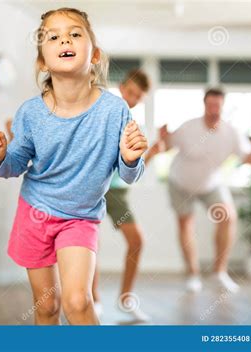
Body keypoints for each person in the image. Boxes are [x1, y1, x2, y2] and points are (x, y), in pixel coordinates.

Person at [0, 8, 148, 325]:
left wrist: (130, 157)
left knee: (78, 303)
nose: (64, 39)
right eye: (53, 36)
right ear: (43, 60)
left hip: (80, 218)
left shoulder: (115, 110)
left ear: (94, 54)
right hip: (35, 213)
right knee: (47, 306)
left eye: (74, 33)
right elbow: (14, 164)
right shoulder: (30, 112)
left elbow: (129, 174)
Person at [151, 88, 251, 293]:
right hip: (181, 183)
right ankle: (192, 275)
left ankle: (219, 273)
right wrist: (164, 137)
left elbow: (249, 159)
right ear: (204, 105)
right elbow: (167, 146)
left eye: (218, 105)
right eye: (210, 105)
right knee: (186, 223)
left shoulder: (231, 133)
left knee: (228, 218)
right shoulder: (188, 128)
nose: (214, 109)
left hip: (210, 184)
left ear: (223, 106)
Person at [92, 69, 152, 322]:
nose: (132, 99)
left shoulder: (134, 126)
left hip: (117, 192)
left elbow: (133, 167)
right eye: (130, 92)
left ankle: (126, 300)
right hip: (94, 188)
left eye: (137, 97)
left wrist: (155, 152)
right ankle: (92, 300)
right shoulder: (99, 113)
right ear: (120, 87)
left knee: (136, 241)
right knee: (90, 245)